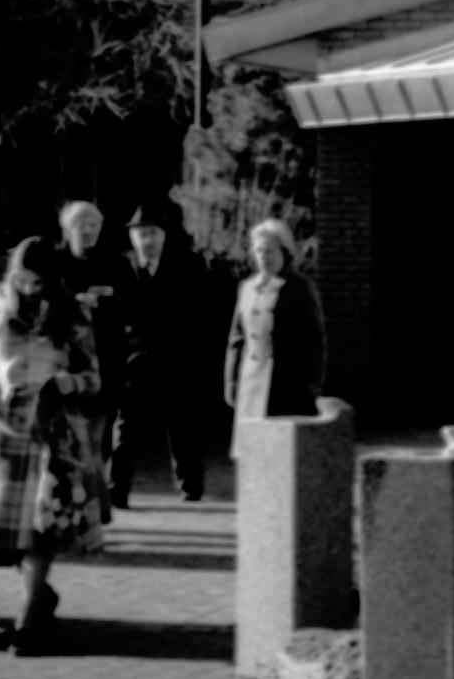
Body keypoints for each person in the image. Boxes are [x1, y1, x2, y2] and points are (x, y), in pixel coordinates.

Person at [0, 236, 106, 655]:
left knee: (42, 529)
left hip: (55, 432)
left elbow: (94, 378)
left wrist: (70, 382)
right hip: (7, 433)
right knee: (9, 538)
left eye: (36, 281)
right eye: (21, 279)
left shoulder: (71, 314)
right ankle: (40, 594)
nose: (28, 288)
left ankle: (27, 619)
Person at [112, 196, 211, 505]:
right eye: (141, 234)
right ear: (132, 237)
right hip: (135, 360)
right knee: (127, 428)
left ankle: (191, 487)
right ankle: (118, 489)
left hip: (177, 359)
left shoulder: (188, 264)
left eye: (153, 233)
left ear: (164, 235)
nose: (147, 240)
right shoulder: (121, 267)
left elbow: (202, 314)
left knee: (183, 426)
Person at [52, 199, 127, 521]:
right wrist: (75, 301)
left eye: (94, 225)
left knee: (94, 443)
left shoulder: (116, 264)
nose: (88, 231)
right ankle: (87, 509)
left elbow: (130, 306)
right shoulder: (53, 262)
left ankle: (96, 511)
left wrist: (106, 303)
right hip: (62, 369)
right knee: (70, 445)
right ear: (67, 229)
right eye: (81, 224)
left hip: (103, 367)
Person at [227, 216, 327, 420]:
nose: (264, 256)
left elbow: (315, 340)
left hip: (288, 386)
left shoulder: (299, 288)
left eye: (270, 250)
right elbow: (236, 340)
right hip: (251, 383)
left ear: (284, 251)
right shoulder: (247, 288)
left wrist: (312, 383)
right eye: (259, 250)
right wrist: (231, 380)